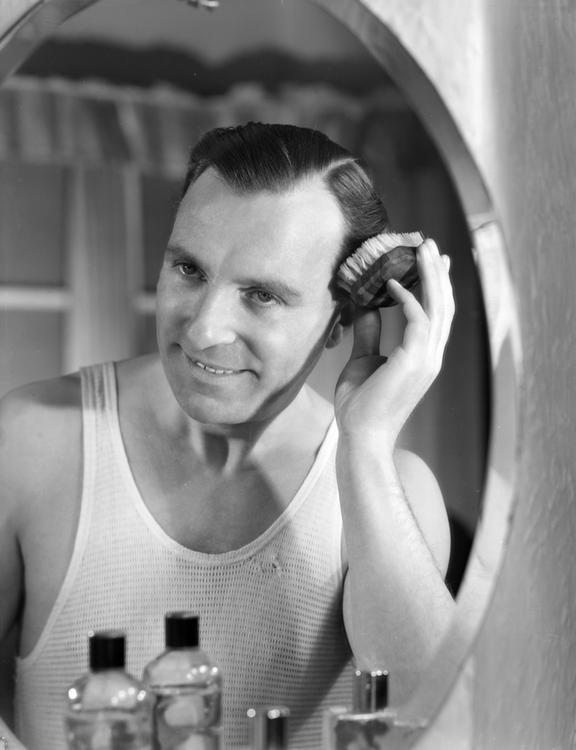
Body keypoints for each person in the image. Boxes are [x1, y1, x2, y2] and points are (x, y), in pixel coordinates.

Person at [0, 122, 455, 750]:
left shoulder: (393, 489)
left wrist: (366, 446)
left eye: (262, 295)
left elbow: (433, 723)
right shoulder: (28, 444)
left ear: (341, 321)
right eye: (188, 268)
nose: (205, 328)